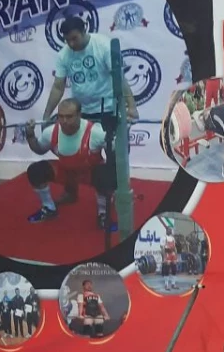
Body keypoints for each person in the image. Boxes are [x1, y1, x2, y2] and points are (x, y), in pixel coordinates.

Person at [41, 17, 138, 227]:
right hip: (81, 111)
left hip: (108, 109)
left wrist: (131, 106)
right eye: (67, 40)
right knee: (71, 154)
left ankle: (112, 197)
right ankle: (71, 192)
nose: (71, 44)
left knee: (114, 156)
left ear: (84, 30)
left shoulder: (102, 45)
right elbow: (58, 86)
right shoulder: (64, 54)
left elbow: (119, 79)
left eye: (74, 38)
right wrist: (46, 115)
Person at [24, 99, 110, 227]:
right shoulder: (51, 132)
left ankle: (103, 213)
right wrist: (30, 135)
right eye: (61, 116)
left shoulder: (96, 133)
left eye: (69, 117)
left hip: (89, 173)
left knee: (106, 174)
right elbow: (39, 150)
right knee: (36, 170)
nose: (64, 121)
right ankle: (49, 208)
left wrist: (120, 138)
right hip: (66, 172)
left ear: (79, 115)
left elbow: (117, 156)